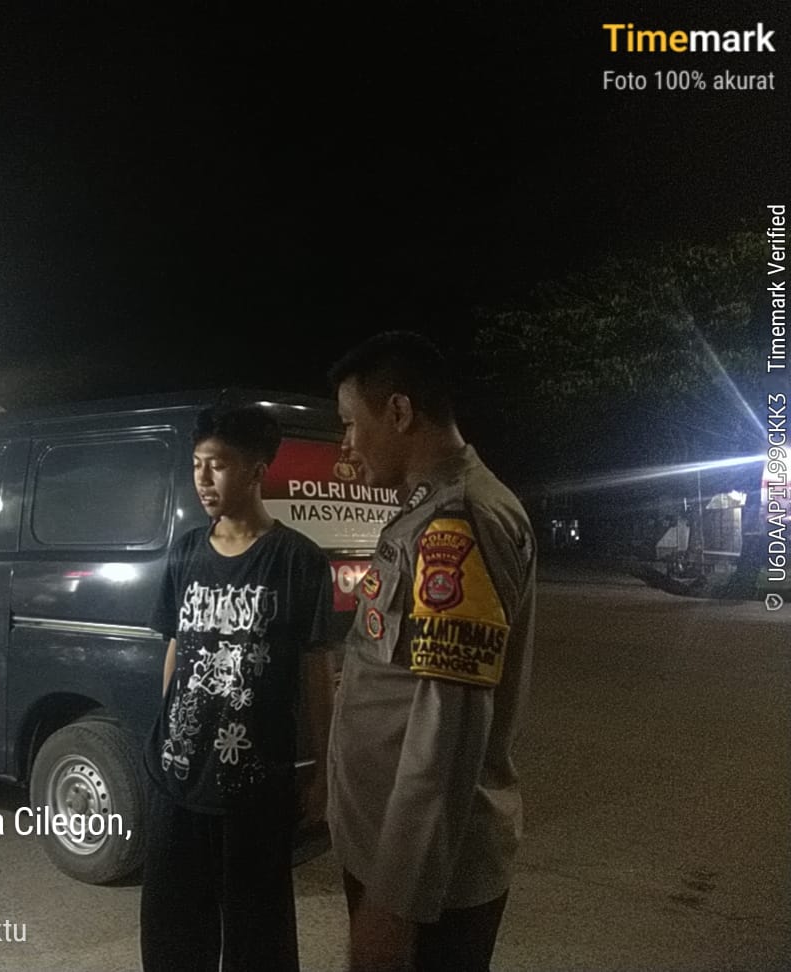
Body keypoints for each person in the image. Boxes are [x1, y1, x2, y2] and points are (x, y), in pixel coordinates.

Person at [325, 332, 537, 972]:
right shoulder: (424, 510)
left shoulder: (458, 519)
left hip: (426, 882)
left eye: (351, 424)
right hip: (390, 852)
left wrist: (395, 900)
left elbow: (449, 730)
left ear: (398, 411)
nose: (345, 444)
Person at [139, 404, 334, 972]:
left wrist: (322, 772)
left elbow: (315, 671)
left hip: (254, 790)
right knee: (173, 934)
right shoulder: (186, 552)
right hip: (176, 779)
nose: (202, 479)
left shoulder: (297, 560)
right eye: (196, 464)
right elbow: (176, 646)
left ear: (256, 471)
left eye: (218, 465)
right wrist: (169, 732)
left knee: (258, 940)